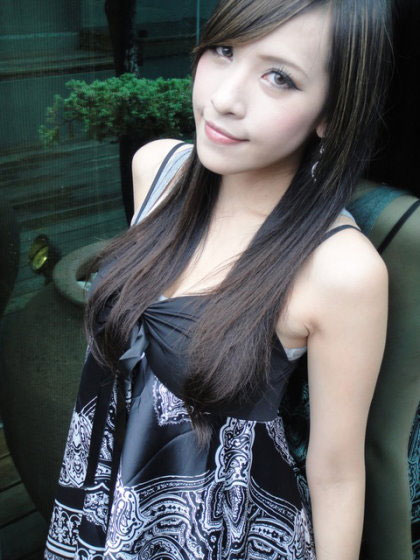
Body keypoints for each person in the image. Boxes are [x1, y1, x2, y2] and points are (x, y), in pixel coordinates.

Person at [44, 1, 392, 559]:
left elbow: (336, 472)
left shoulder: (339, 270)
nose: (225, 98)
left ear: (332, 111)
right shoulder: (157, 171)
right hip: (103, 505)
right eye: (224, 50)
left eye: (280, 78)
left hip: (223, 535)